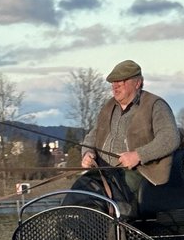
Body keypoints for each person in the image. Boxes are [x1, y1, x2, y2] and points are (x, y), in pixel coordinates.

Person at [74, 59, 178, 215]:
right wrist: (87, 153)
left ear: (138, 83)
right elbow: (93, 135)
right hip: (103, 172)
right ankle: (71, 231)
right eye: (113, 82)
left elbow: (170, 137)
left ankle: (117, 231)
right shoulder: (108, 107)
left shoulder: (155, 105)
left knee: (105, 196)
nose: (115, 86)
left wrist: (138, 155)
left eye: (121, 81)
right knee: (79, 190)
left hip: (138, 173)